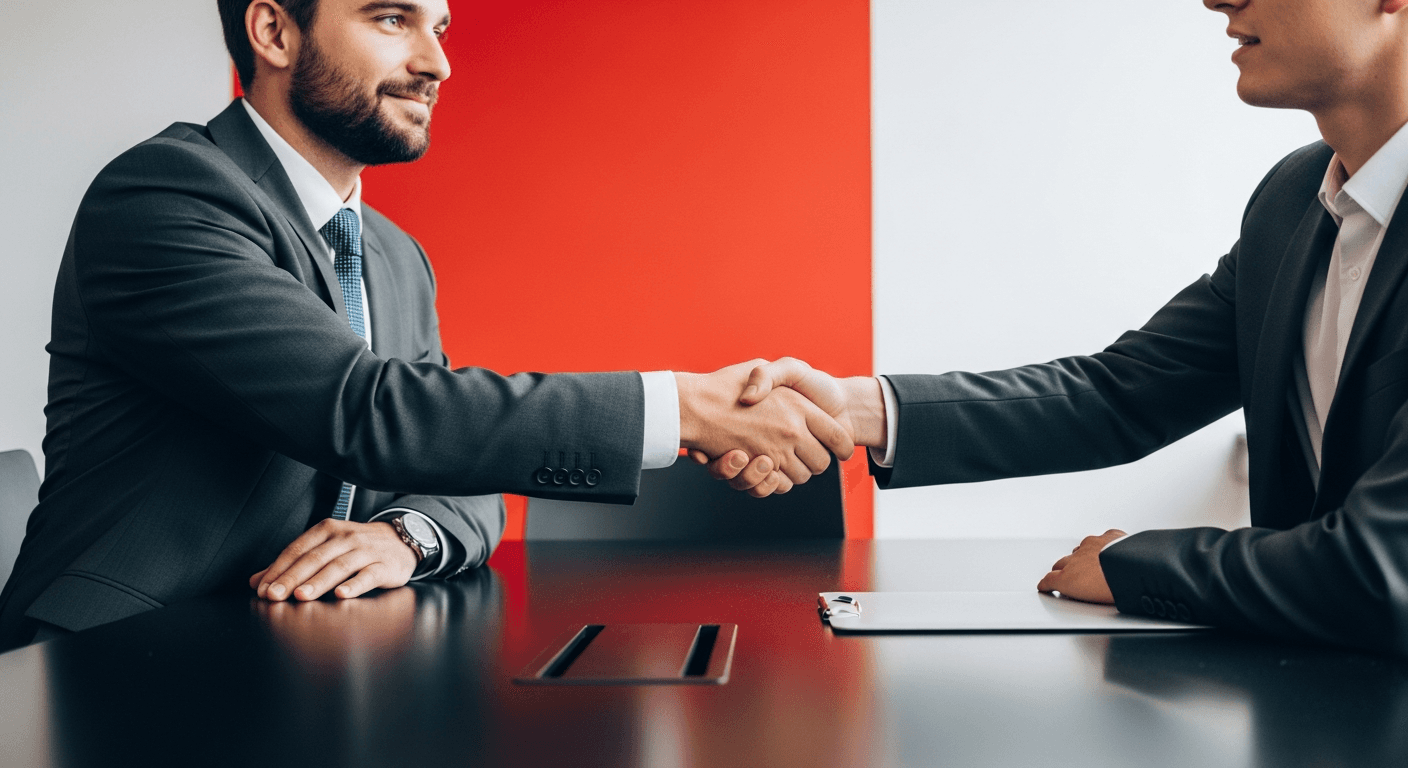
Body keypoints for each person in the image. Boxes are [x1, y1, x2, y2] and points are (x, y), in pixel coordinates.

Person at [0, 0, 851, 650]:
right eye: (393, 18)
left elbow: (458, 465)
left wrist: (404, 537)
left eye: (440, 26)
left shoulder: (393, 254)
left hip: (289, 659)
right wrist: (684, 408)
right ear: (273, 31)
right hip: (108, 669)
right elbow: (369, 412)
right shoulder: (164, 196)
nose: (437, 61)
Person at [709, 0, 1408, 655]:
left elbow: (1382, 565)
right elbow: (1121, 393)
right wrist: (855, 408)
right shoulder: (1293, 200)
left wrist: (1130, 563)